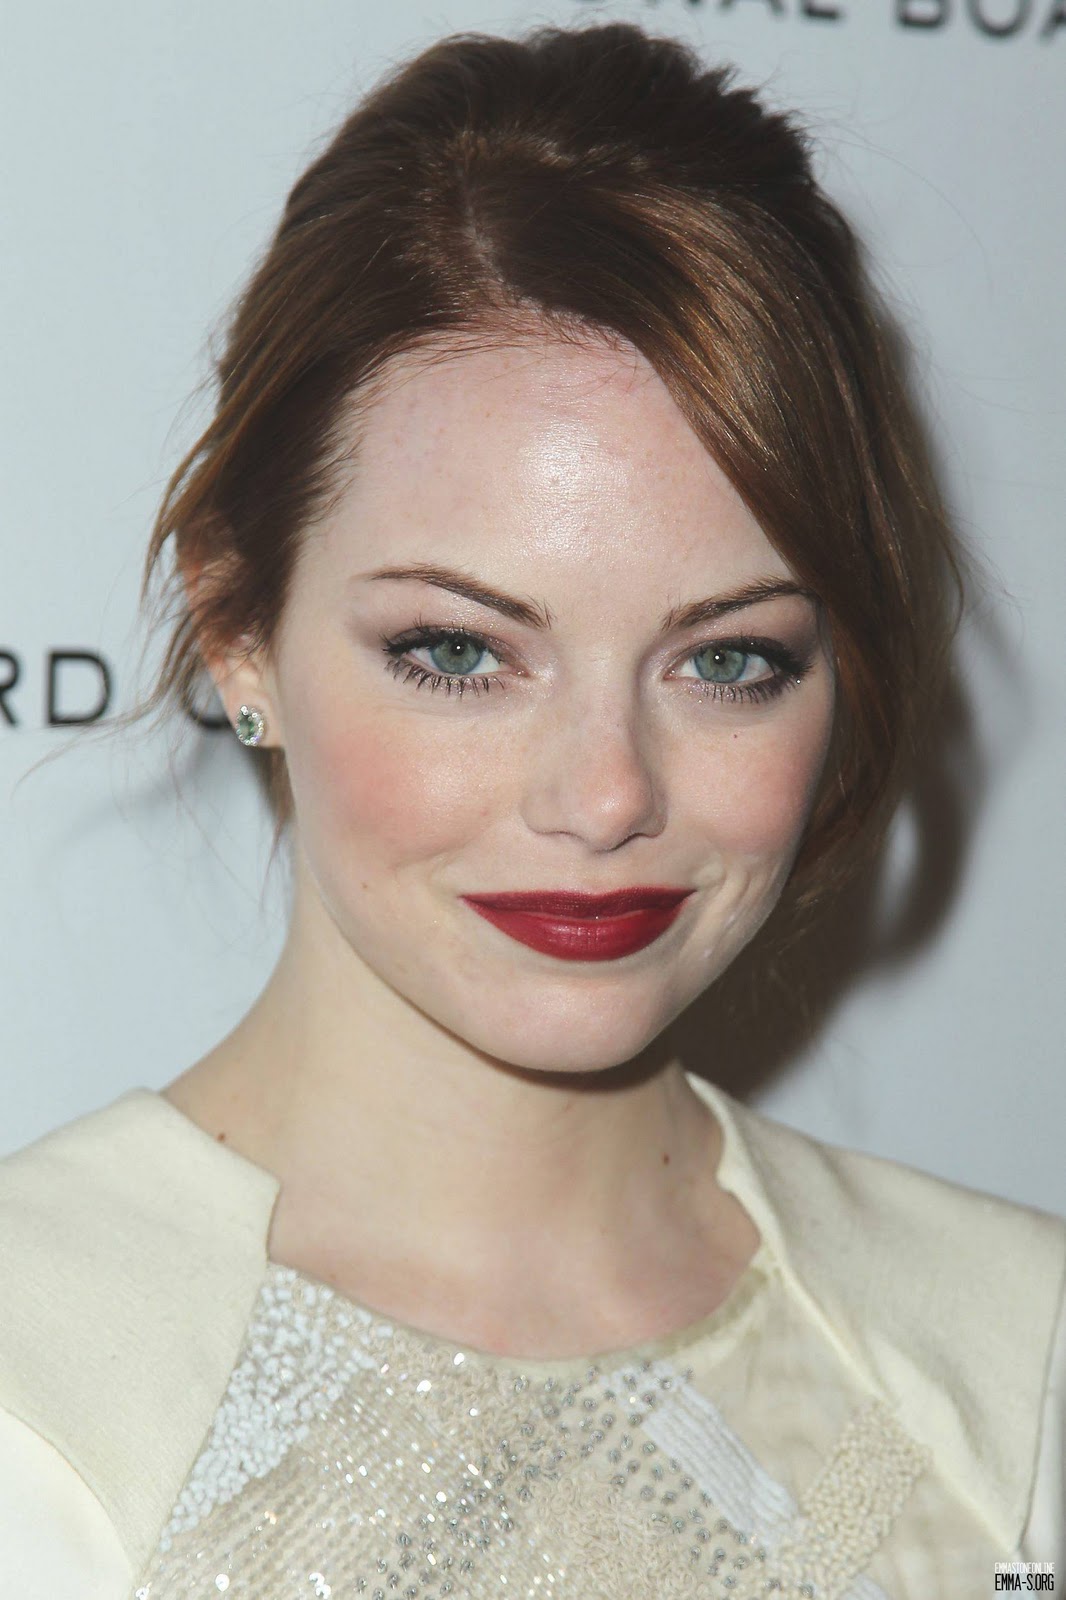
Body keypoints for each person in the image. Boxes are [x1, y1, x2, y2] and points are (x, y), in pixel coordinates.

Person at [0, 20, 1061, 1597]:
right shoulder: (38, 1372)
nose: (606, 795)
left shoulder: (1016, 1357)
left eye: (726, 660)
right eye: (458, 652)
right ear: (238, 632)